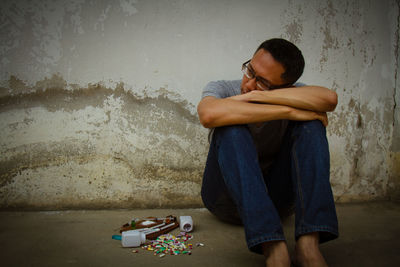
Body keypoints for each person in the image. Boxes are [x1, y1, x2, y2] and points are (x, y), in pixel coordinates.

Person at [197, 38, 338, 267]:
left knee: (311, 126)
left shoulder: (290, 93)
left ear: (287, 87)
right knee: (230, 127)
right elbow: (208, 115)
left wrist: (258, 98)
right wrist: (291, 112)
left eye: (262, 82)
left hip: (277, 202)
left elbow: (330, 99)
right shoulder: (224, 88)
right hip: (223, 199)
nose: (249, 84)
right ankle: (272, 246)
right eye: (250, 71)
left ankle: (308, 244)